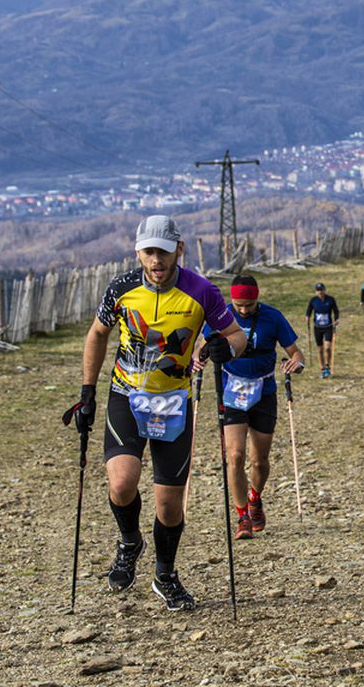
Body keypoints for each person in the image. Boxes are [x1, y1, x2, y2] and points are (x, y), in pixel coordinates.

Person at [72, 215, 248, 612]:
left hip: (173, 404)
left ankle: (165, 574)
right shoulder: (121, 288)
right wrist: (87, 392)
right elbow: (97, 334)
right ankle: (129, 541)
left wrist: (225, 349)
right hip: (126, 397)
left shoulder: (201, 292)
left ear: (178, 251)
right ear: (138, 252)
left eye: (163, 252)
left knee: (169, 506)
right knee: (121, 483)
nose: (156, 260)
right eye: (149, 252)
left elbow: (235, 335)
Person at [201, 274, 305, 540]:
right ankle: (242, 516)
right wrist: (198, 360)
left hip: (264, 391)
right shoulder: (221, 315)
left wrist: (297, 362)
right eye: (239, 305)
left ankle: (255, 497)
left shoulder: (273, 317)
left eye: (249, 304)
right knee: (235, 456)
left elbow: (296, 351)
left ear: (257, 297)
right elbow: (201, 346)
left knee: (259, 460)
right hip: (232, 390)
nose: (244, 310)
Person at [305, 282, 340, 378]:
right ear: (316, 292)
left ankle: (328, 366)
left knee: (327, 347)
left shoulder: (330, 299)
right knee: (320, 349)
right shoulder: (313, 300)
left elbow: (336, 311)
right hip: (317, 327)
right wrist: (307, 317)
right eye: (318, 290)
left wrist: (336, 319)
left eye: (321, 290)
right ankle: (322, 368)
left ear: (324, 290)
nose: (320, 292)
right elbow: (309, 310)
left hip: (328, 326)